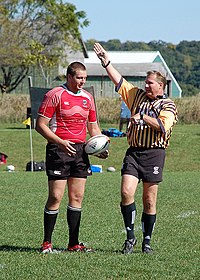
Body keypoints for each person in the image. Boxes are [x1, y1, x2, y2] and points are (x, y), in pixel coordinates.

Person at [94, 43, 178, 254]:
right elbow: (119, 81)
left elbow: (162, 126)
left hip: (154, 154)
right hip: (134, 152)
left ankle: (147, 241)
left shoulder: (168, 106)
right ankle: (130, 237)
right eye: (145, 82)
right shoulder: (137, 96)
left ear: (161, 86)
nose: (146, 86)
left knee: (149, 200)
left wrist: (142, 117)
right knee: (125, 192)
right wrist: (106, 62)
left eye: (150, 83)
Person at [36, 61, 108, 253]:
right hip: (58, 151)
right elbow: (40, 125)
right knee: (55, 196)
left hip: (80, 151)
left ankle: (73, 244)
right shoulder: (54, 95)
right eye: (79, 78)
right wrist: (60, 142)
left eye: (85, 78)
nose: (82, 82)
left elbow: (93, 128)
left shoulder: (88, 98)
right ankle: (47, 244)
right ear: (69, 76)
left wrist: (100, 146)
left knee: (77, 197)